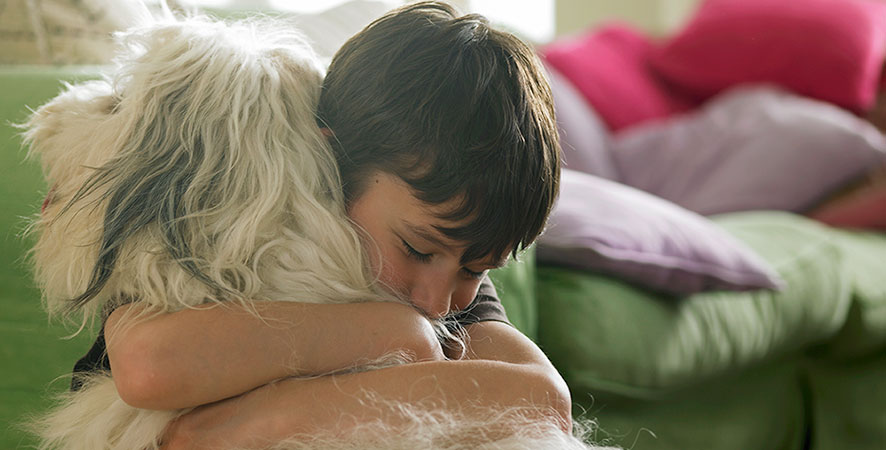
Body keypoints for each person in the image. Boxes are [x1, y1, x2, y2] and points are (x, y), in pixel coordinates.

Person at [81, 2, 565, 447]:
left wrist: (263, 421)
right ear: (330, 164)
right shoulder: (228, 219)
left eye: (476, 270)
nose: (436, 304)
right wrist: (397, 335)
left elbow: (544, 402)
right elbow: (147, 367)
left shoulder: (446, 256)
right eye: (417, 250)